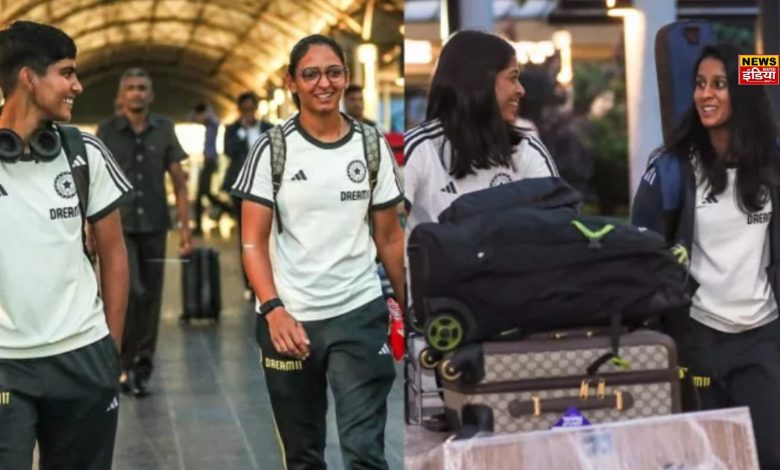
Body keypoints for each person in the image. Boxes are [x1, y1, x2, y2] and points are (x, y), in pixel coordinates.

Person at [231, 34, 404, 469]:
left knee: (365, 451)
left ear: (346, 77)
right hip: (290, 319)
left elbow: (389, 237)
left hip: (359, 312)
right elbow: (252, 240)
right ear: (292, 82)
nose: (323, 83)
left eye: (333, 72)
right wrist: (273, 309)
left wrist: (412, 302)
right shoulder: (273, 148)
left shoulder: (371, 145)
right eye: (310, 74)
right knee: (304, 455)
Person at [632, 44, 780, 469]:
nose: (705, 95)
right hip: (698, 338)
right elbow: (643, 253)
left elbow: (769, 69)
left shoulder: (772, 163)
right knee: (706, 459)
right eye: (699, 84)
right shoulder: (672, 169)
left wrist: (754, 62)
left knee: (769, 454)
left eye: (720, 84)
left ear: (744, 94)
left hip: (763, 338)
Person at [0, 21, 131, 469]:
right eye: (66, 72)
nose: (77, 85)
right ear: (28, 77)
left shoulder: (84, 152)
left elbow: (114, 252)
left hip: (83, 358)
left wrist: (109, 348)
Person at [404, 30, 558, 259]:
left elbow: (560, 228)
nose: (521, 90)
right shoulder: (419, 149)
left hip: (513, 290)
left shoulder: (527, 149)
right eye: (513, 77)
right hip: (436, 293)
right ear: (481, 81)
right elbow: (388, 232)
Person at [97, 67, 193, 397]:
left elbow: (179, 182)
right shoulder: (107, 131)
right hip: (118, 227)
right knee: (130, 292)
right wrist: (87, 226)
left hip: (154, 224)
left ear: (151, 95)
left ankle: (141, 368)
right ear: (121, 96)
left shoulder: (164, 129)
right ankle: (123, 363)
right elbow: (93, 182)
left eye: (142, 88)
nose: (137, 93)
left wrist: (185, 228)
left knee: (151, 299)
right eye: (131, 88)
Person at [223, 91, 271, 297]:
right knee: (247, 236)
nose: (249, 112)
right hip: (241, 188)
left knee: (268, 235)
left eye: (251, 109)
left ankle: (269, 279)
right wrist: (242, 131)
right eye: (245, 109)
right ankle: (250, 283)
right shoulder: (232, 130)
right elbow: (229, 151)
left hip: (266, 186)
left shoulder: (268, 128)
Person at [191, 101, 231, 236]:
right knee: (206, 194)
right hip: (208, 161)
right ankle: (229, 210)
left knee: (200, 195)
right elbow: (192, 118)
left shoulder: (213, 123)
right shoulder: (208, 125)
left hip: (211, 161)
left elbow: (213, 119)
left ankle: (229, 210)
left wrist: (208, 109)